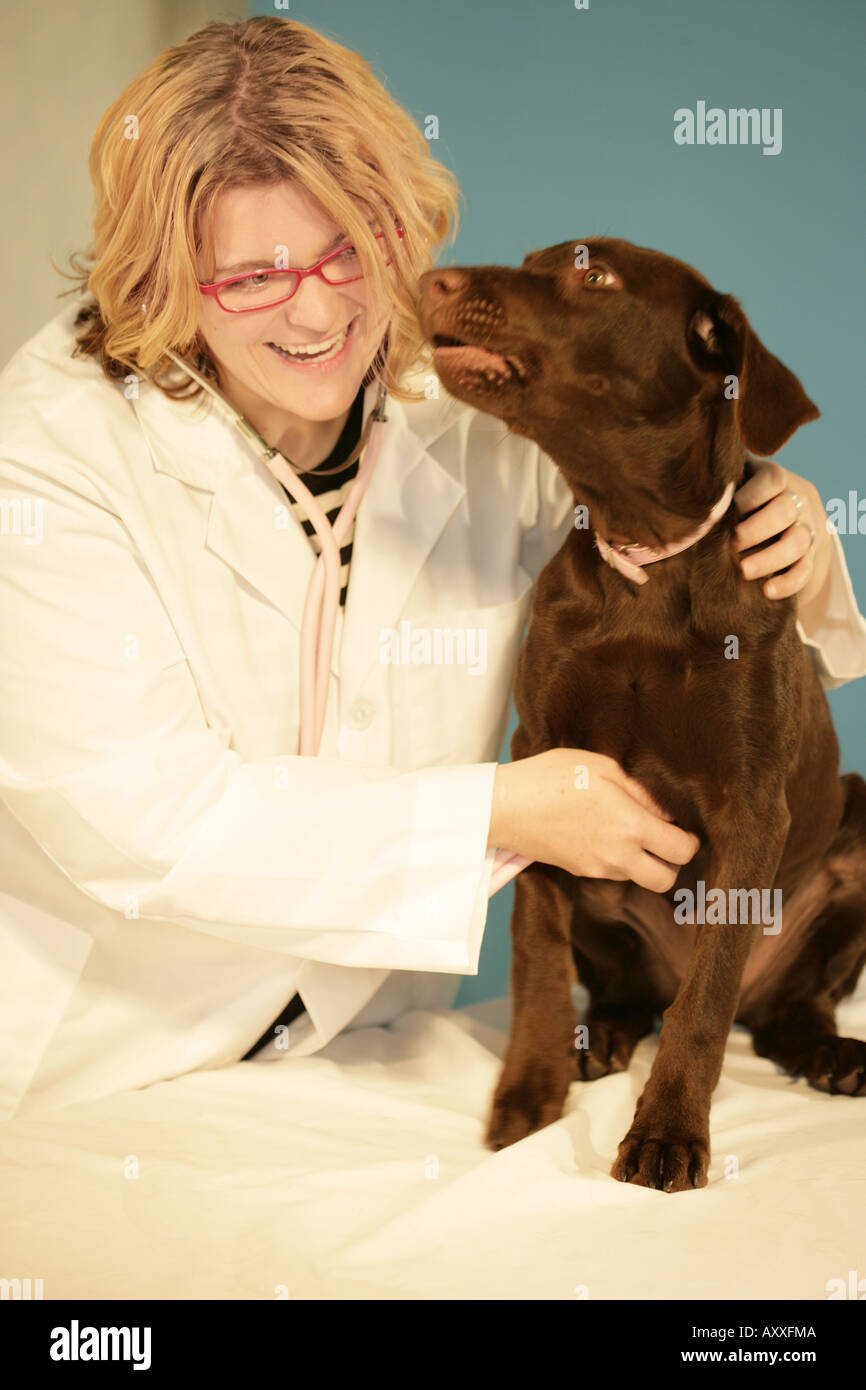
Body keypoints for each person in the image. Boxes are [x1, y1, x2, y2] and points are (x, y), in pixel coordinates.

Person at [1, 16, 864, 1119]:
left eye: (346, 250)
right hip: (118, 1055)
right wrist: (497, 810)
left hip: (372, 1043)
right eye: (253, 276)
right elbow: (143, 815)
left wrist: (777, 510)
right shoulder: (51, 452)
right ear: (164, 273)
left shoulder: (463, 410)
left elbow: (666, 522)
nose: (316, 312)